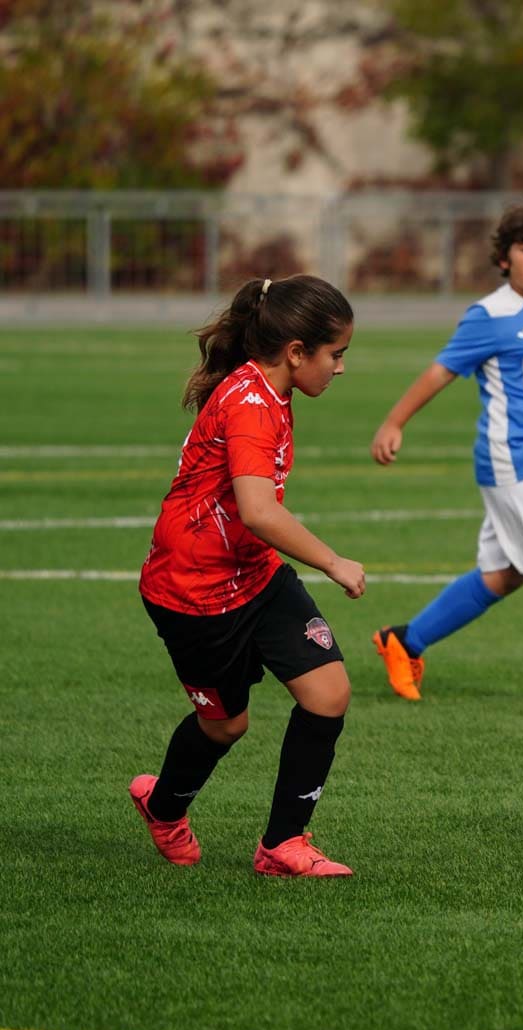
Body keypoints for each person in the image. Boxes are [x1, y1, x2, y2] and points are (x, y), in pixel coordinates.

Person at [131, 275, 362, 878]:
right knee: (225, 724)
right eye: (335, 355)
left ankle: (283, 844)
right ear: (295, 352)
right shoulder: (251, 404)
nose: (340, 369)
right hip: (194, 591)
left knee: (328, 692)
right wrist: (334, 562)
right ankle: (163, 807)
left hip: (252, 574)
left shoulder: (272, 391)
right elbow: (259, 512)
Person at [370, 197, 523, 708]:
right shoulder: (490, 315)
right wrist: (395, 421)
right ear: (504, 258)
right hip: (514, 456)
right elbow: (440, 371)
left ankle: (403, 641)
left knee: (506, 575)